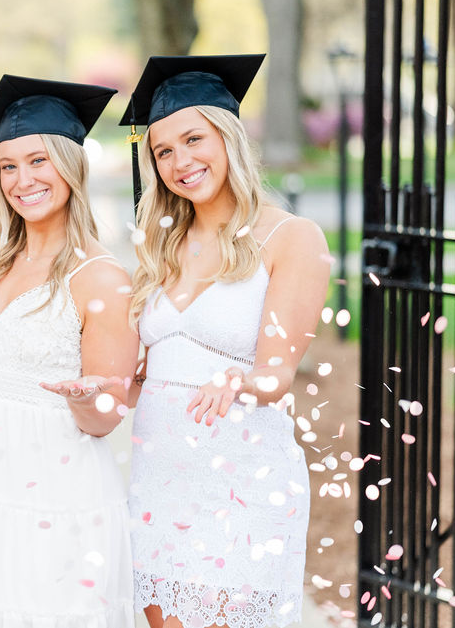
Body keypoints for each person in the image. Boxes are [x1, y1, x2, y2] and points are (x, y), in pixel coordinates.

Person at [121, 55, 330, 628]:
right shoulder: (161, 246)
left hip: (241, 478)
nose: (180, 161)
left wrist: (238, 378)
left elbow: (277, 376)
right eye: (164, 151)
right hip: (160, 480)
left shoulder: (292, 238)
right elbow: (143, 375)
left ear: (229, 137)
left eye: (194, 139)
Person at [0, 75, 137, 628]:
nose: (21, 180)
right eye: (7, 166)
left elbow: (106, 420)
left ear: (71, 167)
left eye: (38, 162)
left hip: (60, 496)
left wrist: (84, 399)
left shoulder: (100, 277)